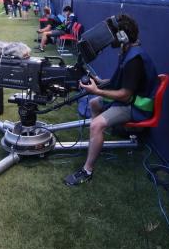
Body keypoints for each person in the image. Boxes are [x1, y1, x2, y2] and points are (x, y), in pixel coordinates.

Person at [64, 14, 158, 186]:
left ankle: (87, 170)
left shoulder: (134, 59)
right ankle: (96, 142)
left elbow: (125, 94)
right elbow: (123, 82)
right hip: (129, 99)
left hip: (136, 106)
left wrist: (97, 90)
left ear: (122, 36)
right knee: (93, 103)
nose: (108, 39)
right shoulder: (127, 51)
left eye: (112, 34)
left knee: (96, 124)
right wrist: (101, 82)